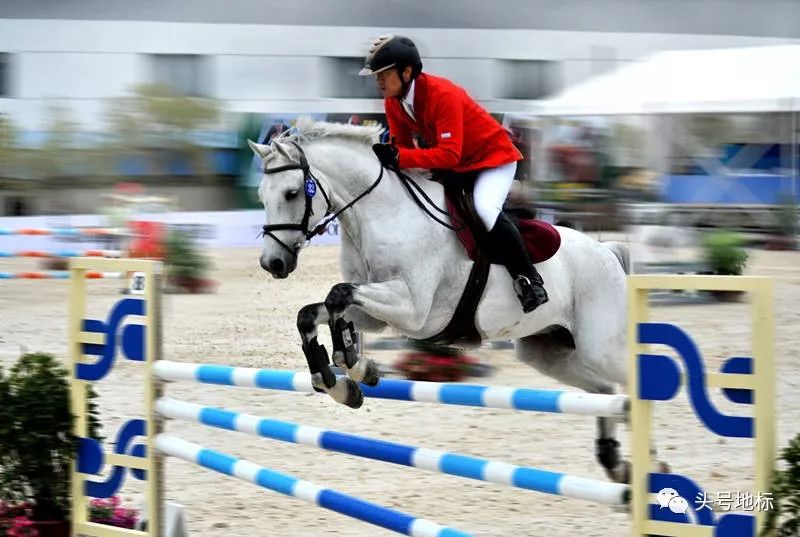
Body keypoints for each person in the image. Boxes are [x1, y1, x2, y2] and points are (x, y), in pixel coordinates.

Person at [359, 35, 548, 313]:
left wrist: (401, 157)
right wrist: (390, 155)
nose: (378, 81)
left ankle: (529, 279)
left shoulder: (442, 94)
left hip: (493, 160)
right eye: (377, 76)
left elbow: (448, 154)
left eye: (384, 74)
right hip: (459, 167)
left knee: (484, 210)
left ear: (407, 72)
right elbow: (401, 146)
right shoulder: (394, 102)